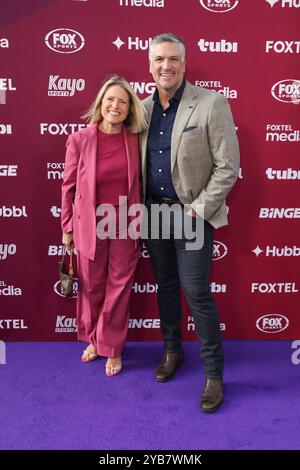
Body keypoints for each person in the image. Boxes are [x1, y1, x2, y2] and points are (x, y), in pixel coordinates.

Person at [141, 33, 240, 412]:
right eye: (158, 60)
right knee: (166, 286)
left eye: (173, 60)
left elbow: (227, 166)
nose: (165, 66)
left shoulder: (211, 103)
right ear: (149, 66)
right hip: (154, 215)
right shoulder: (143, 108)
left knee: (196, 293)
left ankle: (214, 373)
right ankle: (172, 351)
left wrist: (197, 210)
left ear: (184, 64)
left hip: (192, 215)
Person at [61, 75, 147, 376]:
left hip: (125, 224)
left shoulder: (135, 140)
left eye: (122, 102)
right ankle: (95, 339)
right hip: (89, 226)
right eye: (110, 99)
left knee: (119, 287)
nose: (116, 105)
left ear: (129, 109)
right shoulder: (79, 140)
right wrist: (67, 227)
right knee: (93, 286)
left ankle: (111, 347)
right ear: (100, 103)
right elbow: (68, 187)